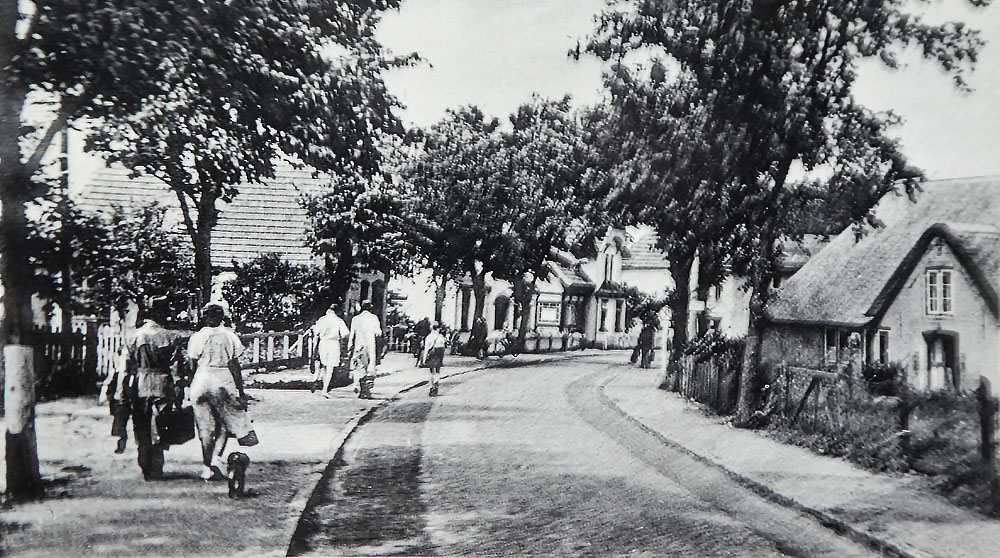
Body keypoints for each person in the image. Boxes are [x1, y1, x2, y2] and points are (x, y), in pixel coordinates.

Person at [187, 302, 258, 481]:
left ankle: (206, 467)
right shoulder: (229, 335)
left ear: (204, 317)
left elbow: (192, 363)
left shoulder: (197, 337)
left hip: (201, 379)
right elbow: (234, 364)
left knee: (205, 426)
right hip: (222, 379)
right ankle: (216, 458)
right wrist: (240, 391)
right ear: (221, 317)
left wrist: (190, 383)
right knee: (225, 422)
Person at [123, 298, 184, 480]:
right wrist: (179, 390)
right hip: (162, 383)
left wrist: (123, 390)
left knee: (141, 423)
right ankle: (156, 464)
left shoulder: (133, 336)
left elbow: (126, 367)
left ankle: (144, 462)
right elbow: (176, 368)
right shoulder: (171, 337)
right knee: (161, 424)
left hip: (140, 382)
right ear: (162, 314)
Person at [311, 304, 349, 398]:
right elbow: (345, 334)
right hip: (333, 343)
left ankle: (320, 383)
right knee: (330, 367)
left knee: (324, 365)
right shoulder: (339, 320)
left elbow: (316, 332)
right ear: (336, 311)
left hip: (323, 343)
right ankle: (325, 389)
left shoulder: (322, 320)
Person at [348, 301, 383, 399]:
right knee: (369, 368)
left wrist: (349, 346)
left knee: (359, 367)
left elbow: (352, 334)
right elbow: (378, 333)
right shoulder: (374, 318)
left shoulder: (356, 319)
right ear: (370, 308)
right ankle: (366, 390)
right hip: (370, 346)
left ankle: (359, 386)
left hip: (359, 345)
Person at [423, 322, 447, 396]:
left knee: (431, 371)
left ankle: (431, 386)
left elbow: (426, 348)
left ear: (431, 328)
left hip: (432, 353)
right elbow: (444, 345)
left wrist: (424, 359)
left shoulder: (429, 337)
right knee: (437, 370)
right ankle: (436, 381)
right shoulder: (441, 336)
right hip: (440, 352)